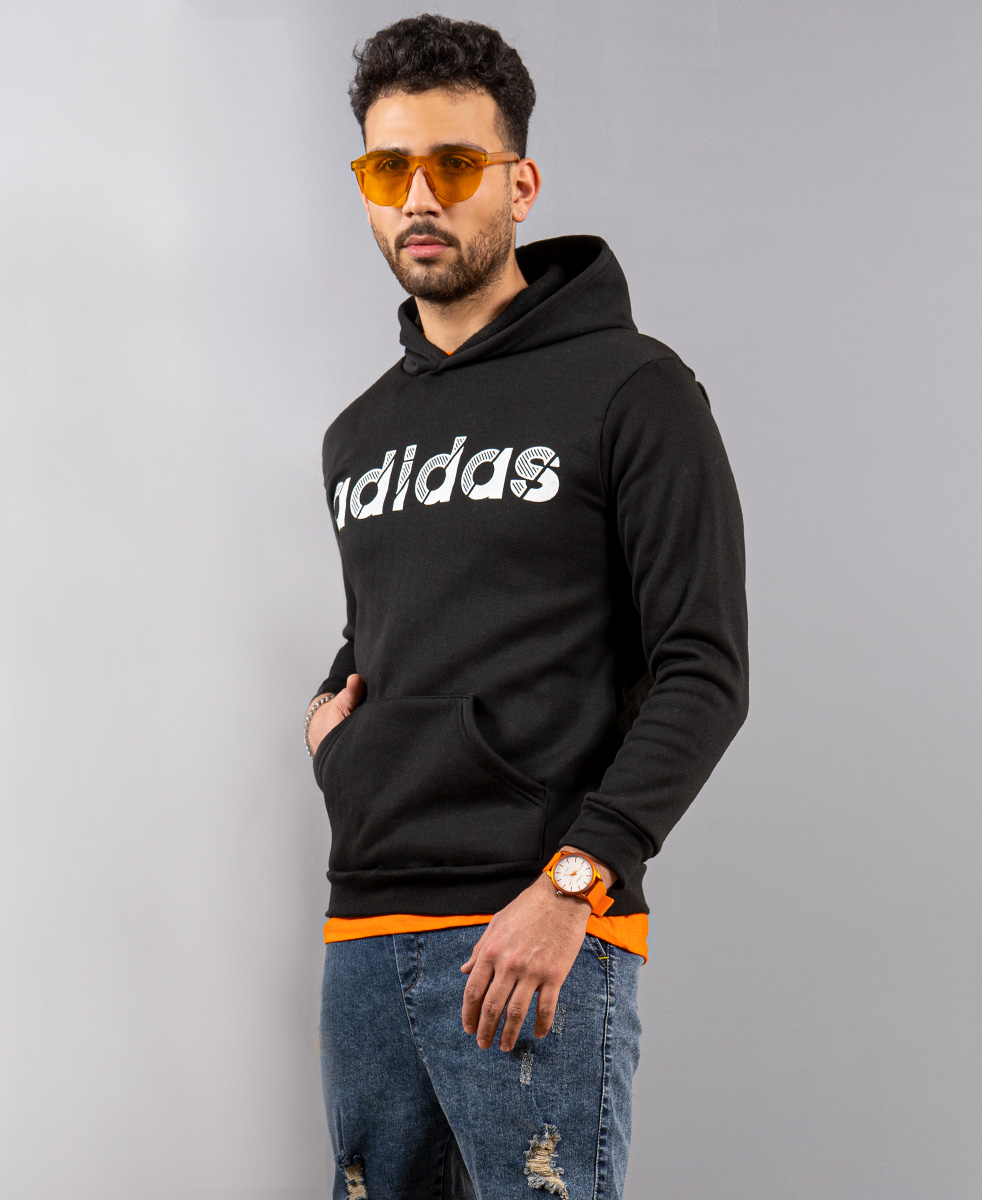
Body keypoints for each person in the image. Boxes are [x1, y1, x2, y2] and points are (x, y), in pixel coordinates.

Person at [307, 14, 748, 1198]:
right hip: (364, 925)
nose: (419, 197)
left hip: (533, 922)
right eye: (387, 169)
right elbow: (389, 626)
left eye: (454, 164)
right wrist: (334, 723)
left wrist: (574, 884)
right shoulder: (359, 434)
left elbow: (704, 667)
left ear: (520, 182)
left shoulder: (634, 389)